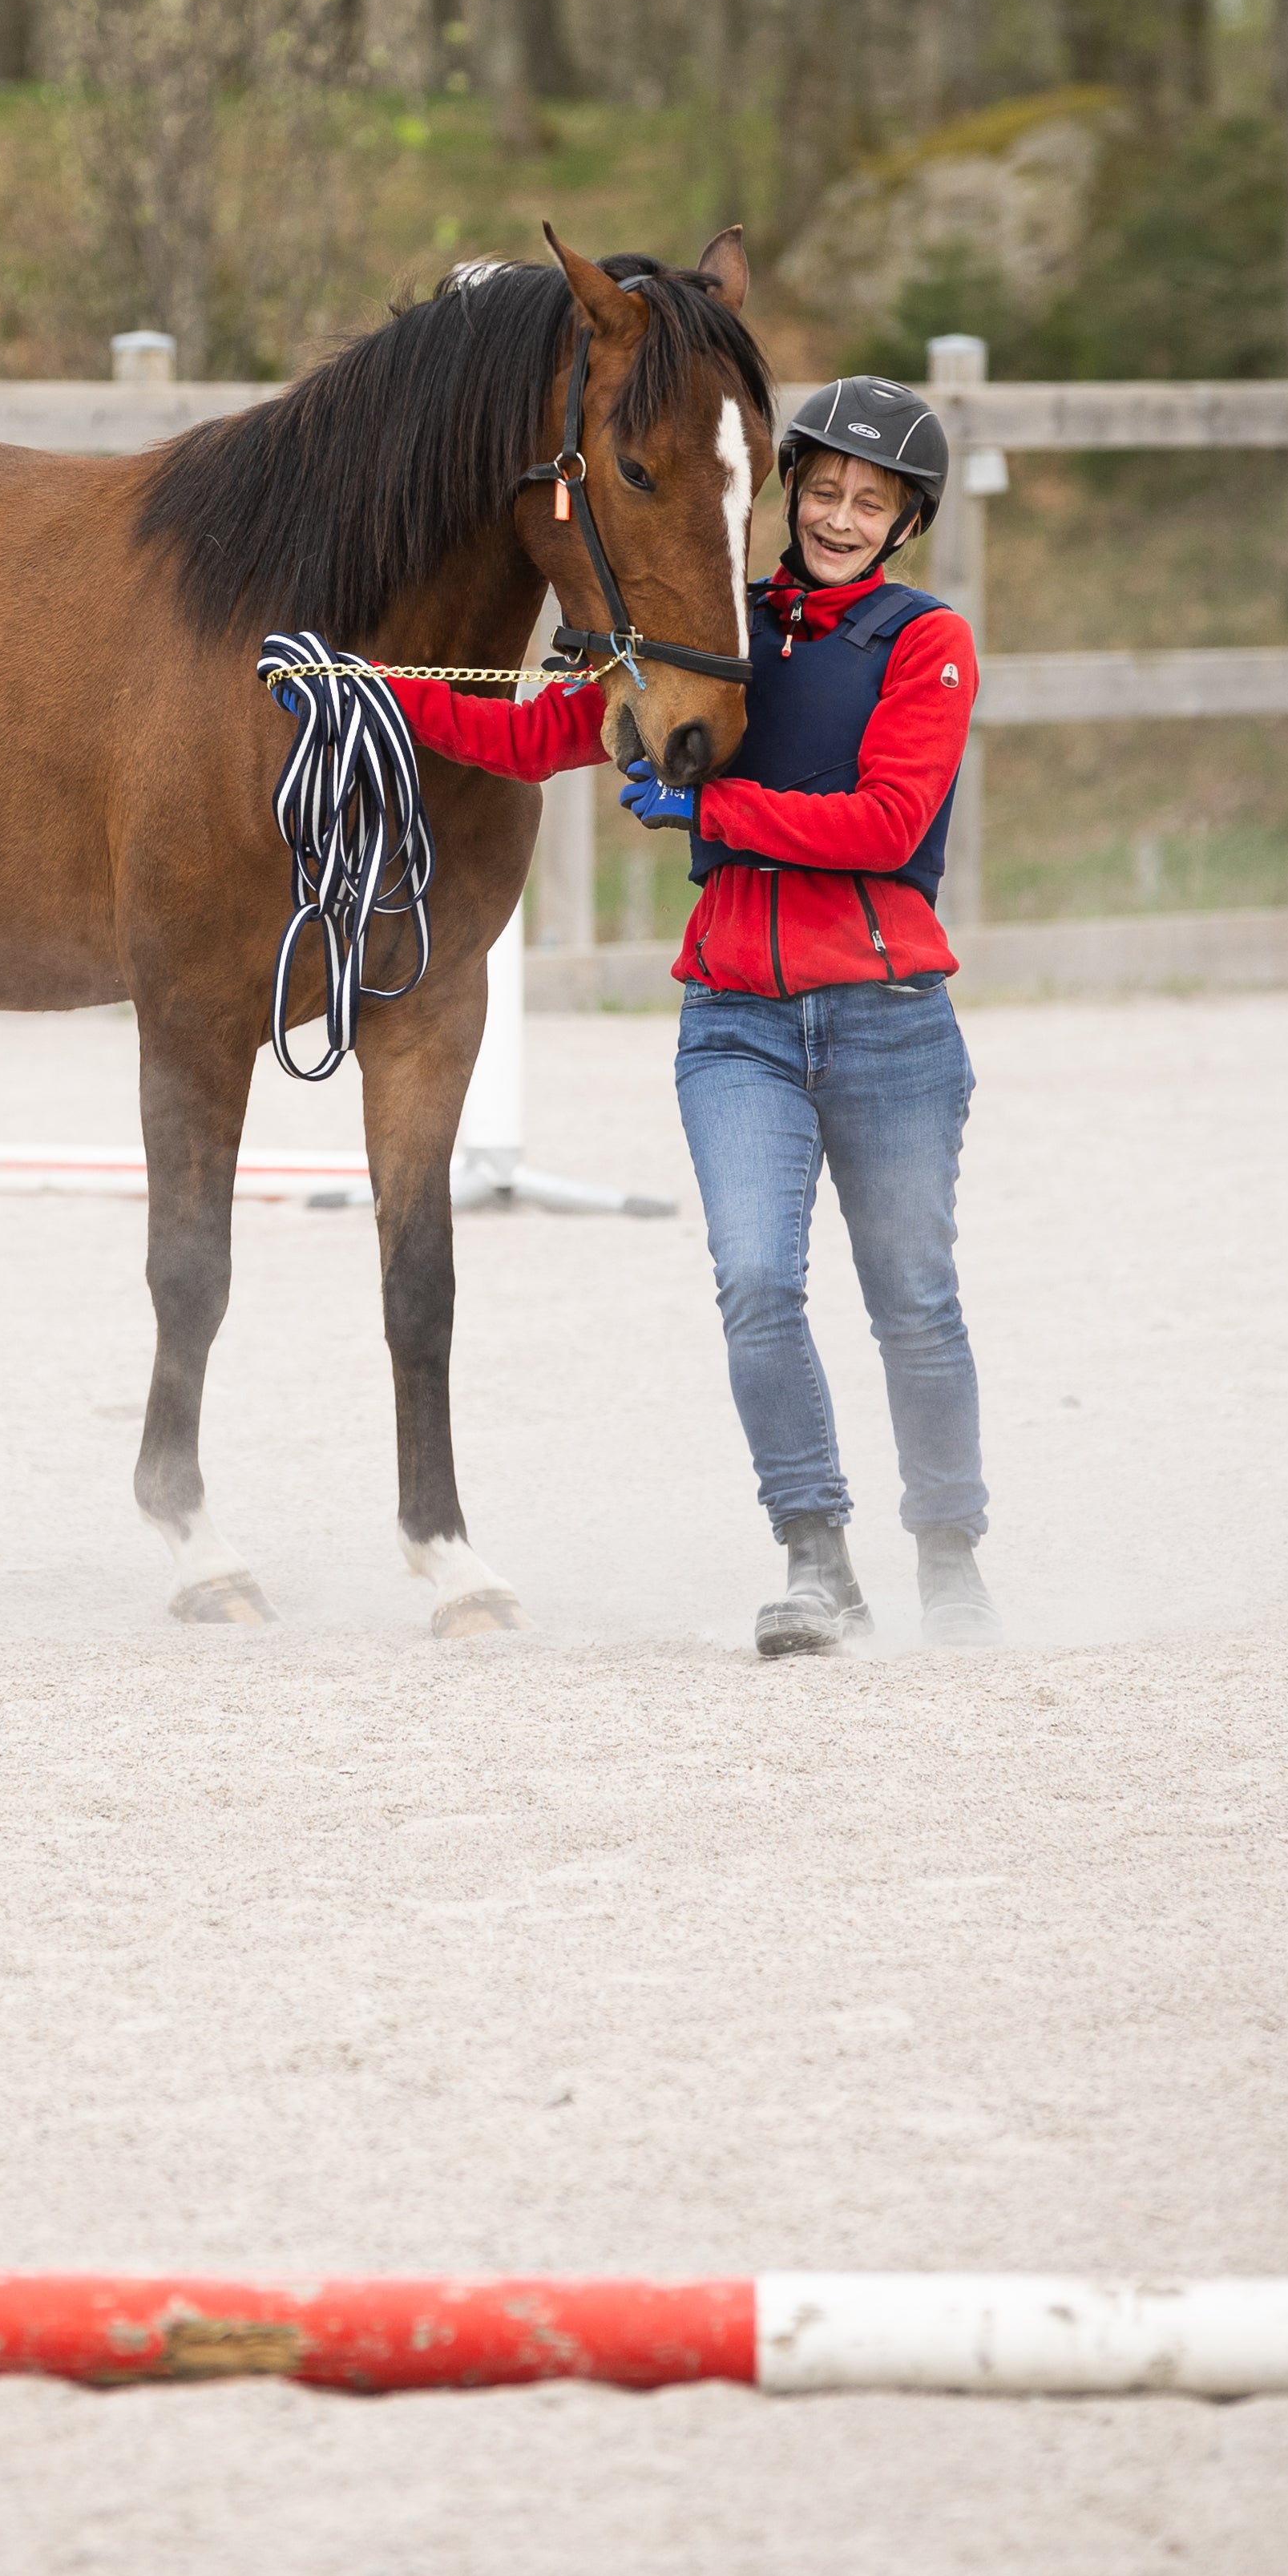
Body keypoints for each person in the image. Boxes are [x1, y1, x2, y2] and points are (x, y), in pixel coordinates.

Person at [381, 369, 999, 1657]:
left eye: (865, 501)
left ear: (902, 523)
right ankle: (816, 1558)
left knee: (914, 1301)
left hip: (887, 1021)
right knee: (758, 1284)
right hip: (736, 1023)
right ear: (789, 494)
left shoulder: (927, 644)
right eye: (821, 490)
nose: (835, 515)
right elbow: (547, 730)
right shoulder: (728, 635)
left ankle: (949, 1558)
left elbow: (888, 825)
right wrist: (378, 689)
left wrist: (711, 812)